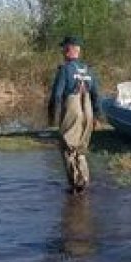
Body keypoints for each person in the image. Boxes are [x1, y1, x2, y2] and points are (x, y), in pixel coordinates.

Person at [47, 35, 101, 193]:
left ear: (70, 49)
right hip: (88, 111)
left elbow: (56, 95)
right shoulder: (89, 70)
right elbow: (97, 95)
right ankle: (84, 181)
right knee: (81, 148)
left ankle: (76, 186)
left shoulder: (65, 69)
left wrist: (52, 116)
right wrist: (97, 117)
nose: (62, 51)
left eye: (64, 47)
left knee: (68, 147)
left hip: (73, 109)